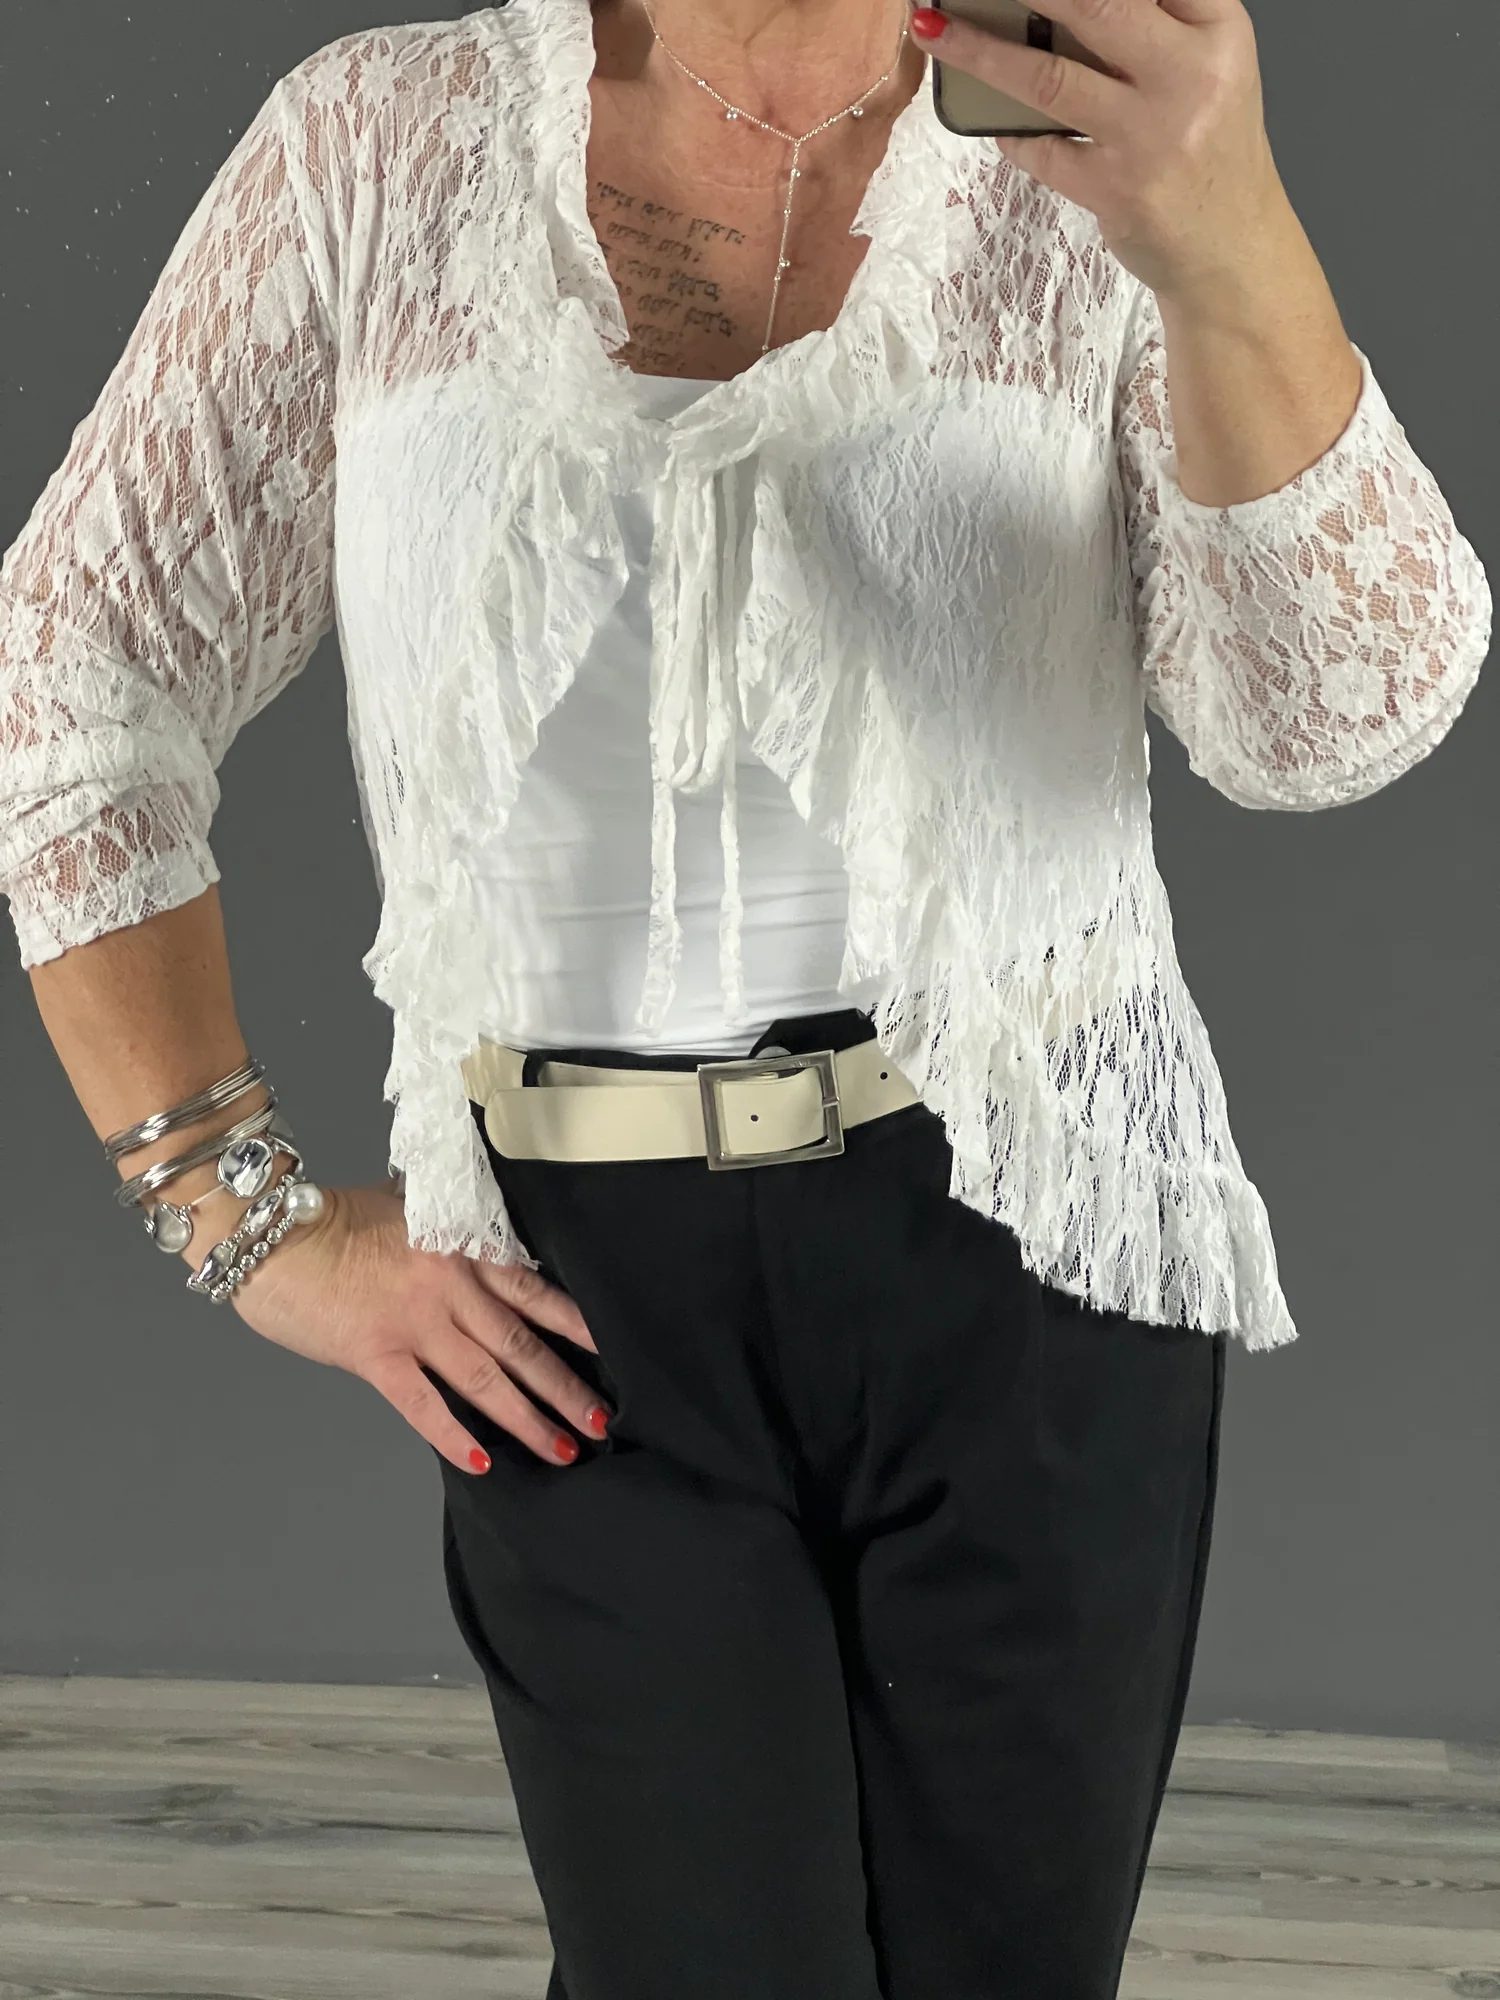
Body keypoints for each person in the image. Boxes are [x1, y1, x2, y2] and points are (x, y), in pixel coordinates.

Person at [0, 0, 1489, 1994]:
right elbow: (72, 666)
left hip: (1038, 1235)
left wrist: (1228, 239)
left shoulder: (1085, 141)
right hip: (580, 1294)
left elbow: (1327, 724)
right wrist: (236, 1212)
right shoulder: (383, 146)